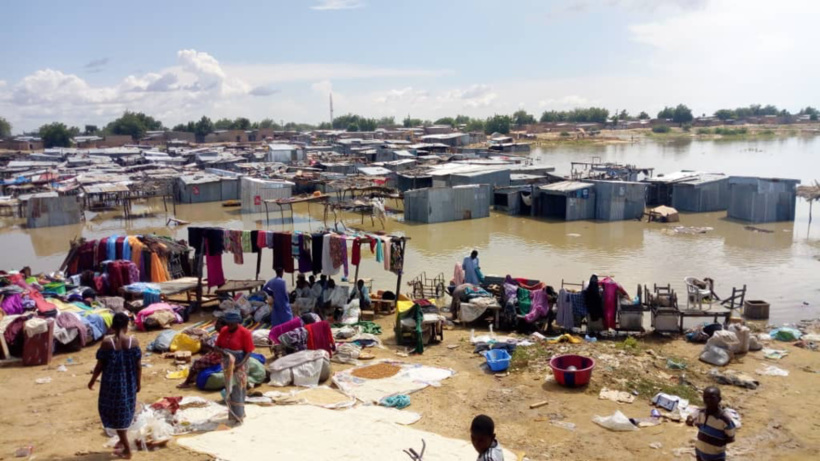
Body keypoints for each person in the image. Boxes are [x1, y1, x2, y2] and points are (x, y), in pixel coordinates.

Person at [88, 313, 142, 460]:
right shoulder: (134, 342)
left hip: (111, 384)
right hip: (128, 383)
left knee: (114, 414)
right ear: (126, 325)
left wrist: (92, 381)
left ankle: (127, 450)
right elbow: (138, 366)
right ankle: (122, 441)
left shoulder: (107, 343)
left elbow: (99, 365)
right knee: (125, 411)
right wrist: (138, 382)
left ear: (112, 326)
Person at [214, 311, 255, 425]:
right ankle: (232, 413)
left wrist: (239, 365)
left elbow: (248, 352)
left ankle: (239, 414)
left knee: (238, 388)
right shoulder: (224, 331)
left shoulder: (245, 333)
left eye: (233, 324)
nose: (230, 326)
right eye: (228, 324)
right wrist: (223, 352)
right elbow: (217, 346)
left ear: (237, 323)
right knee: (229, 388)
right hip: (228, 364)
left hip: (240, 364)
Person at [686, 387, 737, 461]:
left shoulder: (725, 419)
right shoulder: (701, 413)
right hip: (700, 452)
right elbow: (700, 426)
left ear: (719, 399)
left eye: (712, 398)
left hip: (716, 456)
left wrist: (716, 442)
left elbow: (730, 438)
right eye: (706, 398)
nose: (708, 400)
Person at [177, 318, 226, 389]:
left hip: (218, 357)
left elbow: (217, 349)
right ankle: (193, 378)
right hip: (220, 355)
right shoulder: (224, 334)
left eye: (218, 324)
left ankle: (186, 383)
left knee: (196, 363)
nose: (215, 326)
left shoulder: (221, 335)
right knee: (202, 358)